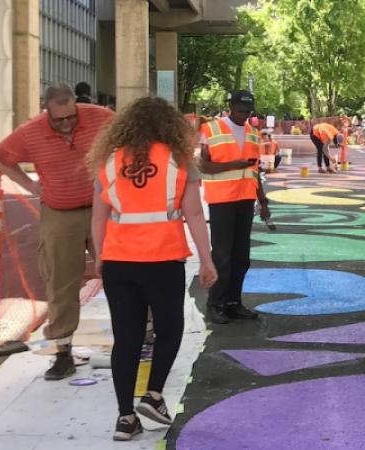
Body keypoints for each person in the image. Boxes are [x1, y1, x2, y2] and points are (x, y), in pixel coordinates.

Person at [87, 96, 218, 441]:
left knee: (126, 339)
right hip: (163, 259)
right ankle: (154, 394)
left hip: (118, 261)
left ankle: (125, 418)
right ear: (169, 125)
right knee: (170, 329)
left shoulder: (110, 161)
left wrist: (100, 256)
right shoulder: (179, 160)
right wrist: (206, 259)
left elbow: (98, 217)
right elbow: (192, 214)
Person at [0, 85, 115, 380]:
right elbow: (1, 157)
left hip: (105, 208)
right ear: (46, 111)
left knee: (122, 271)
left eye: (71, 117)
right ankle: (63, 352)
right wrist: (31, 186)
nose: (67, 124)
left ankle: (142, 331)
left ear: (77, 106)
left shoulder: (101, 117)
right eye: (59, 120)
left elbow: (131, 138)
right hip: (60, 213)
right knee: (61, 281)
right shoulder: (30, 132)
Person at [199, 90, 268, 324]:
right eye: (241, 111)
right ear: (230, 107)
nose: (245, 116)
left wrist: (263, 200)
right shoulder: (211, 129)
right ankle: (215, 303)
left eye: (249, 112)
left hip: (245, 199)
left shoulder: (252, 132)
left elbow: (254, 170)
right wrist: (232, 165)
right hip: (221, 201)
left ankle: (233, 302)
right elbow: (203, 166)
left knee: (241, 257)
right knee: (222, 255)